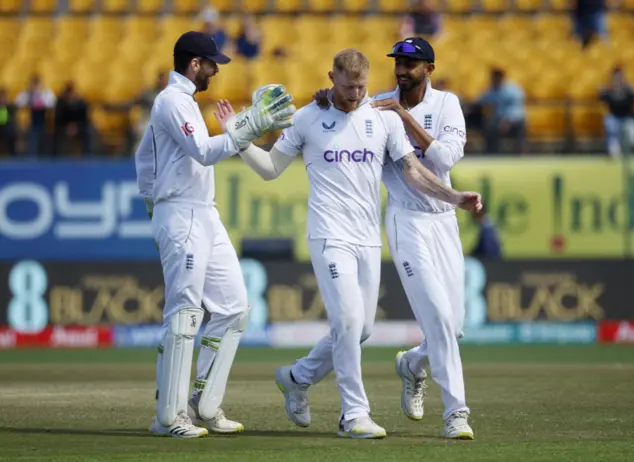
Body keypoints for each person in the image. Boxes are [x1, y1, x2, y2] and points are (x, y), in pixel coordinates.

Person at [214, 48, 481, 439]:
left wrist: (454, 197)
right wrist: (238, 140)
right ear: (330, 79)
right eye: (347, 86)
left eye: (361, 86)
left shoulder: (383, 118)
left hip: (367, 239)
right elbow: (271, 168)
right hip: (329, 234)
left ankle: (296, 377)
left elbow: (413, 172)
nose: (355, 94)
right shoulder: (309, 117)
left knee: (362, 329)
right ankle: (353, 415)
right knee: (348, 321)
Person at [312, 37, 476, 439]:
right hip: (406, 222)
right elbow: (343, 112)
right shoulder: (376, 104)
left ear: (429, 70)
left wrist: (403, 117)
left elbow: (444, 160)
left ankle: (412, 365)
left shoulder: (445, 104)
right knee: (437, 318)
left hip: (444, 222)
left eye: (411, 64)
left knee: (453, 329)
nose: (402, 70)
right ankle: (457, 413)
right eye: (398, 63)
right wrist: (326, 98)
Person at [134, 31, 295, 438]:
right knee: (185, 312)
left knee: (234, 307)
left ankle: (203, 404)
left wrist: (240, 127)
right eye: (211, 64)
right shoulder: (171, 101)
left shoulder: (184, 102)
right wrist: (251, 123)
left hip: (204, 212)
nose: (215, 71)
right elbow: (203, 151)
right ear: (194, 65)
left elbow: (193, 150)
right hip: (181, 212)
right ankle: (168, 418)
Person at [599, 66, 634, 157]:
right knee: (609, 122)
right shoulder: (609, 91)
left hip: (627, 117)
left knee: (633, 138)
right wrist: (601, 92)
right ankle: (614, 150)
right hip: (614, 118)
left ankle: (630, 149)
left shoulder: (629, 90)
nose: (617, 80)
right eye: (615, 77)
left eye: (620, 77)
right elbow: (601, 100)